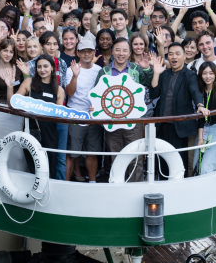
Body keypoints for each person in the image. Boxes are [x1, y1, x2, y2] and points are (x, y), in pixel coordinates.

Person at [93, 38, 153, 182]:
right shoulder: (104, 71)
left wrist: (147, 68)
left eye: (125, 50)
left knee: (136, 158)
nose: (121, 53)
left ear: (130, 53)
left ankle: (135, 189)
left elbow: (149, 84)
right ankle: (117, 188)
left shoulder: (136, 69)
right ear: (112, 52)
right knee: (116, 158)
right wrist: (94, 106)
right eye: (118, 50)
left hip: (134, 122)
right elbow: (96, 93)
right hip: (111, 122)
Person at [149, 44, 209, 173]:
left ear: (184, 56)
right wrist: (156, 73)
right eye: (170, 54)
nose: (173, 57)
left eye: (177, 53)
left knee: (178, 161)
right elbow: (154, 94)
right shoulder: (164, 74)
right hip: (161, 125)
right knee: (161, 161)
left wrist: (200, 105)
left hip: (179, 126)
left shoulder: (190, 75)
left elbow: (195, 92)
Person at [9, 54, 63, 178]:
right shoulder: (29, 82)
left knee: (50, 167)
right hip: (32, 130)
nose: (42, 70)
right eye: (39, 67)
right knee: (33, 167)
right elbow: (13, 103)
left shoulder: (59, 90)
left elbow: (59, 116)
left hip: (51, 133)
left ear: (52, 68)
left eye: (45, 66)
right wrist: (9, 86)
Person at [26, 31, 68, 179]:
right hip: (36, 122)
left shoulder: (62, 63)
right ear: (42, 46)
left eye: (55, 44)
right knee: (36, 157)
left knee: (58, 157)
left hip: (58, 115)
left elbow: (63, 89)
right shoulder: (31, 65)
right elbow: (26, 93)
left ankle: (58, 186)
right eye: (48, 43)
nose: (52, 47)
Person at [65, 40, 103, 183]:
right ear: (78, 53)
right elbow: (70, 93)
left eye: (89, 51)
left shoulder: (99, 70)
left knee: (92, 153)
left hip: (94, 117)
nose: (87, 54)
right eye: (83, 51)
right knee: (72, 153)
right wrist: (75, 75)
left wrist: (97, 108)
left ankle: (92, 183)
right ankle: (66, 183)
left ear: (94, 52)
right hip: (75, 115)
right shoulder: (71, 70)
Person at [0, 38, 27, 171]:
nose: (8, 54)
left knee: (18, 153)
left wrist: (27, 74)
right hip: (0, 113)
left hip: (17, 113)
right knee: (1, 150)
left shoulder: (18, 67)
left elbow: (29, 89)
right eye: (5, 50)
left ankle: (20, 180)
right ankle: (1, 179)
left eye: (11, 52)